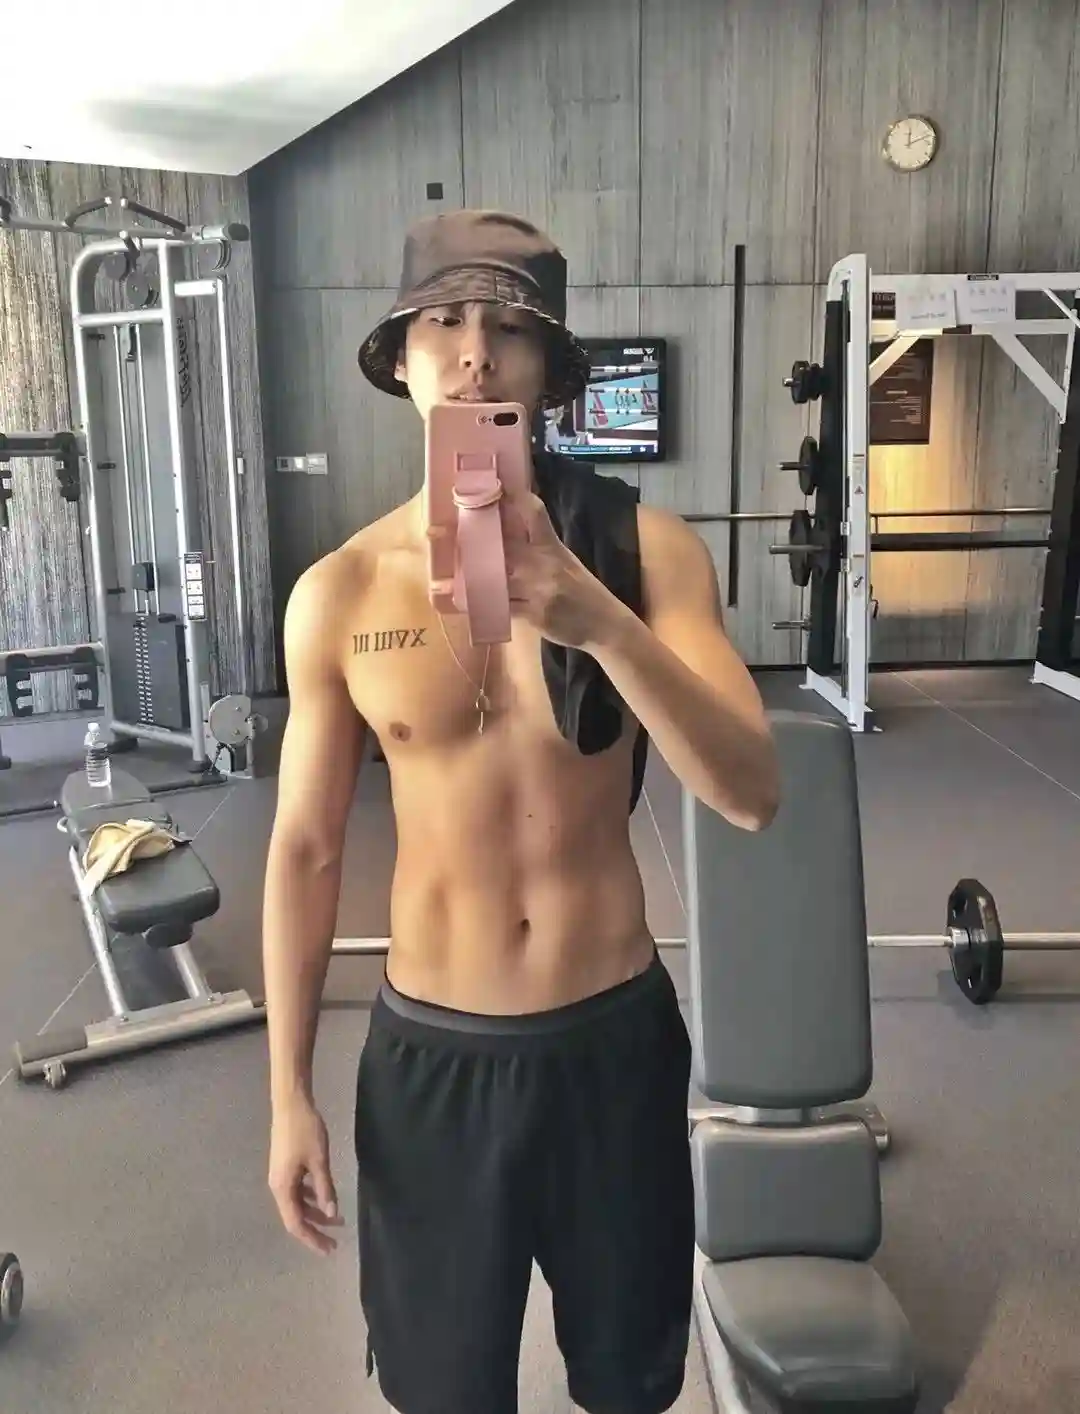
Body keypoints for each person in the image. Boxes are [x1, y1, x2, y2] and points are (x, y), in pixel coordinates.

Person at [263, 209, 780, 1414]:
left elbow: (751, 791)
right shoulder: (338, 594)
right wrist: (286, 1092)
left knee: (630, 1383)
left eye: (509, 327)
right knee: (444, 1392)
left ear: (548, 371)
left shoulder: (647, 554)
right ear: (400, 360)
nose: (475, 352)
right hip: (433, 1061)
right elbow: (305, 847)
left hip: (611, 1046)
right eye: (444, 321)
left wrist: (597, 619)